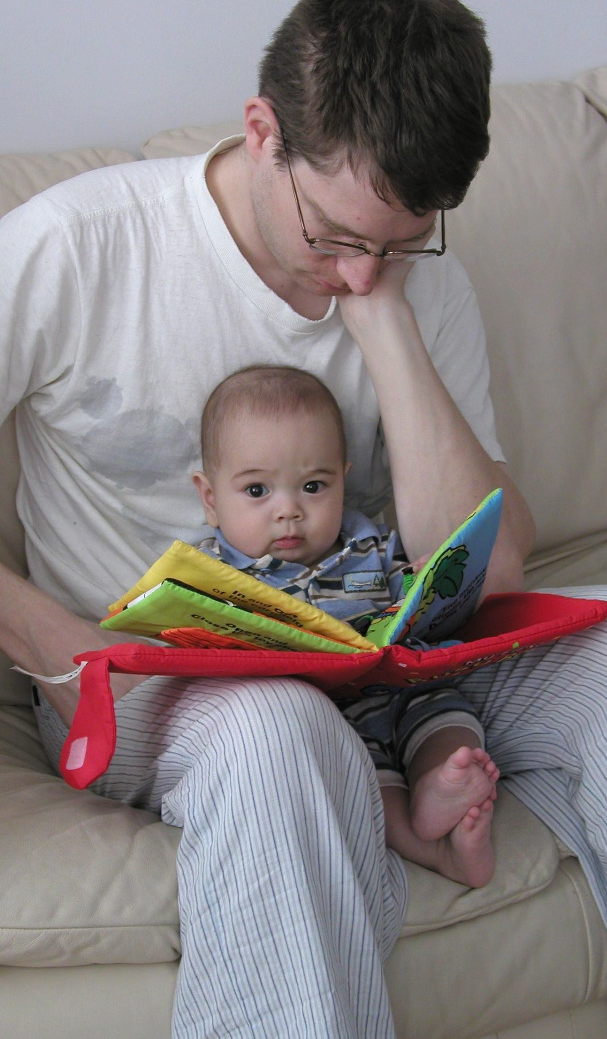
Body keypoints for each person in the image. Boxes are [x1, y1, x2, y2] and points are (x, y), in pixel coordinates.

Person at [0, 0, 607, 1036]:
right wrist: (45, 636)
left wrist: (387, 333)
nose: (359, 271)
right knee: (279, 732)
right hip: (158, 682)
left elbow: (484, 576)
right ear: (262, 130)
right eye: (332, 235)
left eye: (399, 242)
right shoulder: (80, 245)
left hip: (387, 659)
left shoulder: (403, 282)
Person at [193, 364, 500, 888]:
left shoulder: (370, 545)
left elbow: (413, 595)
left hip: (404, 688)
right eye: (257, 491)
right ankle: (436, 847)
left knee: (451, 723)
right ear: (210, 498)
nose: (289, 511)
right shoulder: (212, 577)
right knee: (368, 788)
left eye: (313, 486)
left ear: (344, 479)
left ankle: (441, 782)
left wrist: (425, 580)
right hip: (331, 724)